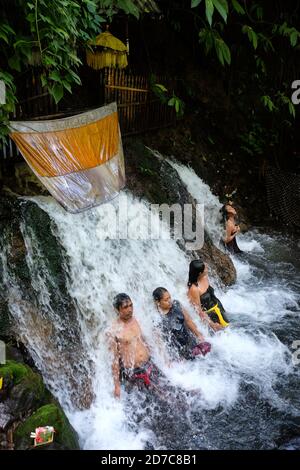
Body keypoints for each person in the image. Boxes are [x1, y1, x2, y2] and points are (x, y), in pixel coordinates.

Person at [107, 293, 162, 398]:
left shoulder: (138, 319)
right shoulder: (113, 330)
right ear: (117, 310)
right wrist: (117, 386)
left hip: (150, 365)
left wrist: (163, 360)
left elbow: (148, 342)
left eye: (131, 305)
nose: (130, 309)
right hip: (134, 374)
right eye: (125, 307)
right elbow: (114, 360)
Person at [152, 287, 211, 361]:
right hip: (179, 355)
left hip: (192, 343)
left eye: (170, 297)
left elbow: (188, 320)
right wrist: (166, 359)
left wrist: (199, 335)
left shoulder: (176, 304)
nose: (170, 301)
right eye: (166, 300)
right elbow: (159, 341)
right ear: (158, 302)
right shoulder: (157, 319)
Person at [187, 259, 229, 331]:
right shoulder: (194, 289)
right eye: (205, 268)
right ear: (200, 273)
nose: (207, 268)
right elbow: (198, 310)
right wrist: (212, 324)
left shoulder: (205, 277)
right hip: (211, 316)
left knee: (228, 329)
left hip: (218, 308)